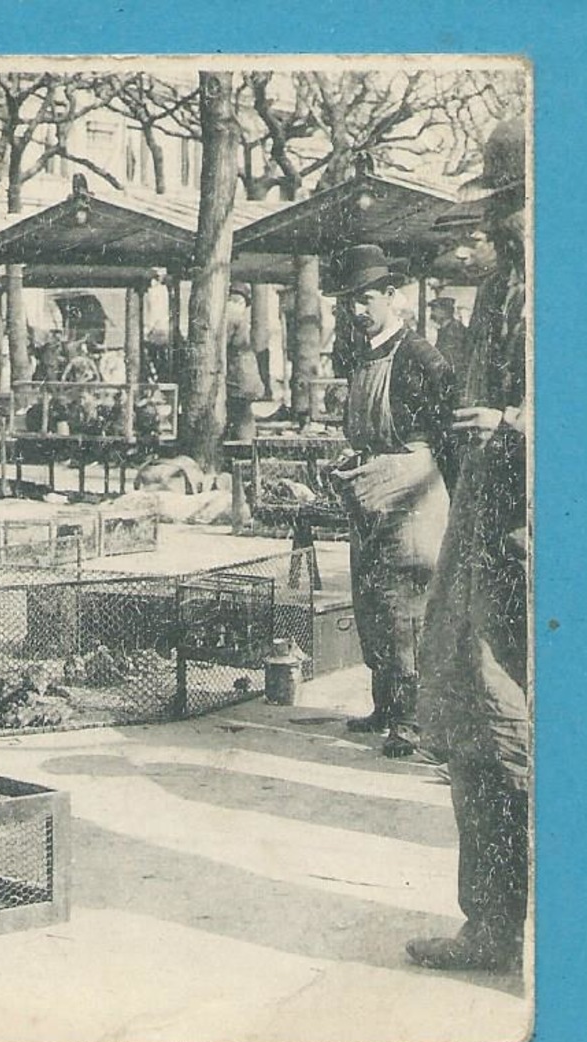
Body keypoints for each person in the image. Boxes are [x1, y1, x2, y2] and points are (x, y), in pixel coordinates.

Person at [407, 119, 530, 974]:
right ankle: (488, 924)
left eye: (515, 204)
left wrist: (517, 423)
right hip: (485, 536)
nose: (499, 224)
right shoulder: (498, 293)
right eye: (498, 207)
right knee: (475, 728)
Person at [325, 244, 459, 760]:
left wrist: (422, 476)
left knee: (409, 610)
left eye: (365, 300)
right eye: (348, 303)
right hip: (370, 487)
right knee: (372, 605)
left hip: (414, 491)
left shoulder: (420, 355)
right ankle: (385, 705)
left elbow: (446, 429)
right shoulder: (362, 353)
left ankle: (414, 721)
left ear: (390, 295)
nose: (357, 311)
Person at [225, 283, 264, 443]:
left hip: (237, 374)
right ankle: (247, 447)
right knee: (244, 413)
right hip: (246, 373)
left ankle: (244, 449)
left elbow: (222, 344)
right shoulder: (241, 315)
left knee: (240, 413)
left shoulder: (231, 312)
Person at [427, 296, 472, 382]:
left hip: (454, 378)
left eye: (434, 309)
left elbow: (452, 357)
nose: (432, 313)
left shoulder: (454, 331)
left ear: (443, 312)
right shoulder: (446, 329)